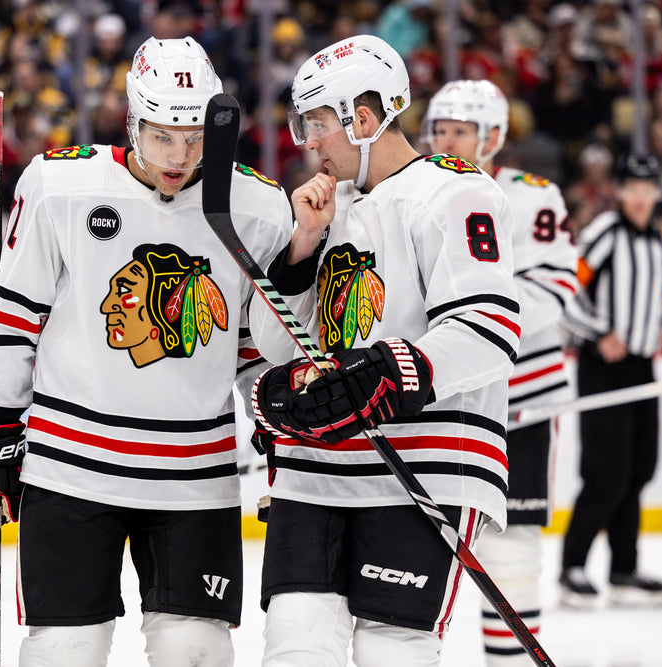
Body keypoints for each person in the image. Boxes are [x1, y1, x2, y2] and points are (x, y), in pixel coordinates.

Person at [0, 36, 293, 667]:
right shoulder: (61, 184)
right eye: (163, 136)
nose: (180, 156)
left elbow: (253, 348)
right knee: (65, 651)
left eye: (194, 138)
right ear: (133, 120)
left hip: (195, 476)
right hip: (70, 469)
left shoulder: (259, 209)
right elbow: (12, 314)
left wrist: (276, 422)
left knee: (196, 650)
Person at [247, 35, 521, 666]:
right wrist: (298, 251)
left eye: (316, 124)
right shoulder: (323, 207)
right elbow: (273, 345)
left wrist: (391, 370)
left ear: (362, 119)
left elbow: (487, 329)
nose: (308, 142)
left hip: (421, 467)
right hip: (318, 470)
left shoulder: (455, 192)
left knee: (392, 651)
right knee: (295, 644)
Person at [423, 79, 578, 665]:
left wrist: (477, 326)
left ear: (493, 135)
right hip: (447, 402)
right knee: (420, 543)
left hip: (523, 402)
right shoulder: (420, 191)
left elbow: (556, 287)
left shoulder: (534, 198)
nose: (447, 140)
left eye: (460, 130)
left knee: (512, 549)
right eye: (440, 128)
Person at [560, 154, 662, 609]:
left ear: (657, 193)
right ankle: (571, 567)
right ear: (619, 191)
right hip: (603, 366)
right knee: (605, 473)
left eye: (647, 189)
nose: (640, 198)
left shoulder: (661, 240)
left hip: (641, 369)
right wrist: (599, 331)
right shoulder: (604, 233)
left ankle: (623, 570)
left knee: (638, 471)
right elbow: (568, 287)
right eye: (631, 188)